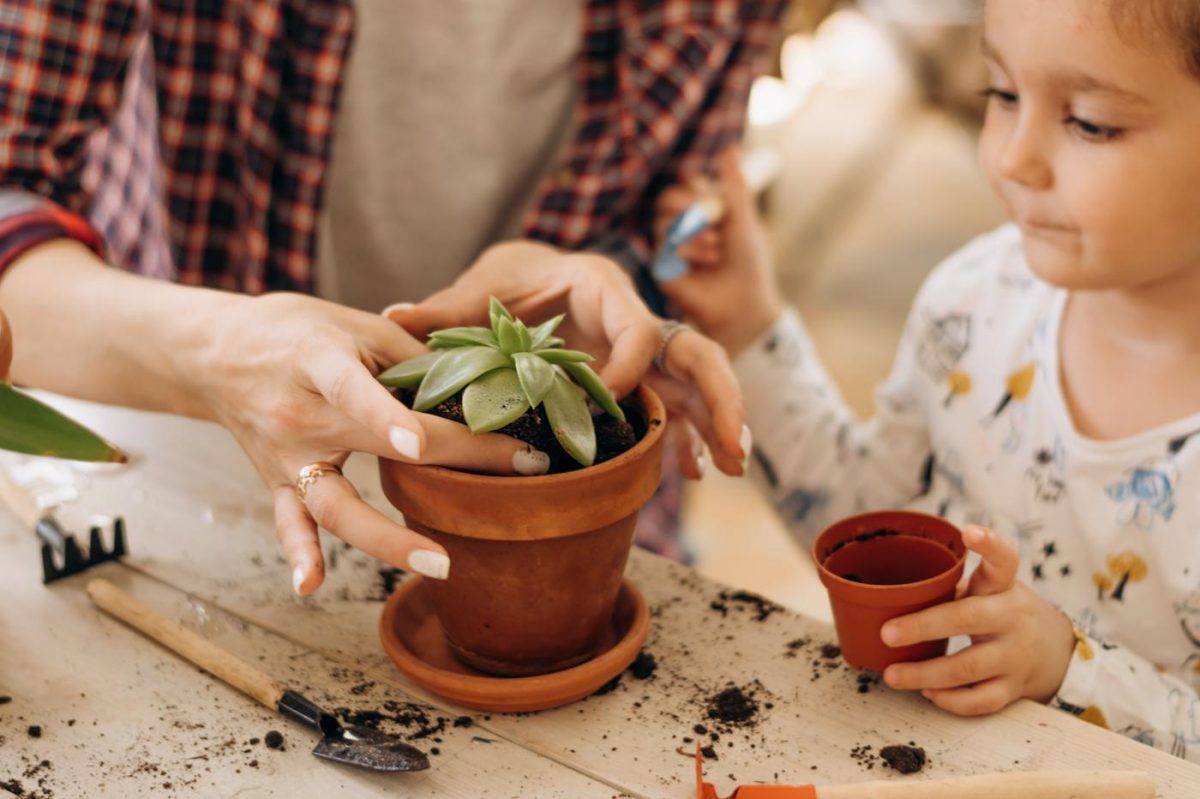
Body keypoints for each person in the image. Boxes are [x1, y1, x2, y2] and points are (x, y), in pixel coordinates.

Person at [0, 1, 779, 595]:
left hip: (578, 540)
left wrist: (625, 286)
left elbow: (673, 212)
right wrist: (213, 350)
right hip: (211, 496)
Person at [657, 0, 1200, 761]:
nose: (1013, 157)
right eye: (1002, 94)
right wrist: (750, 326)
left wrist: (1068, 669)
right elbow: (871, 532)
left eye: (1090, 122)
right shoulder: (974, 300)